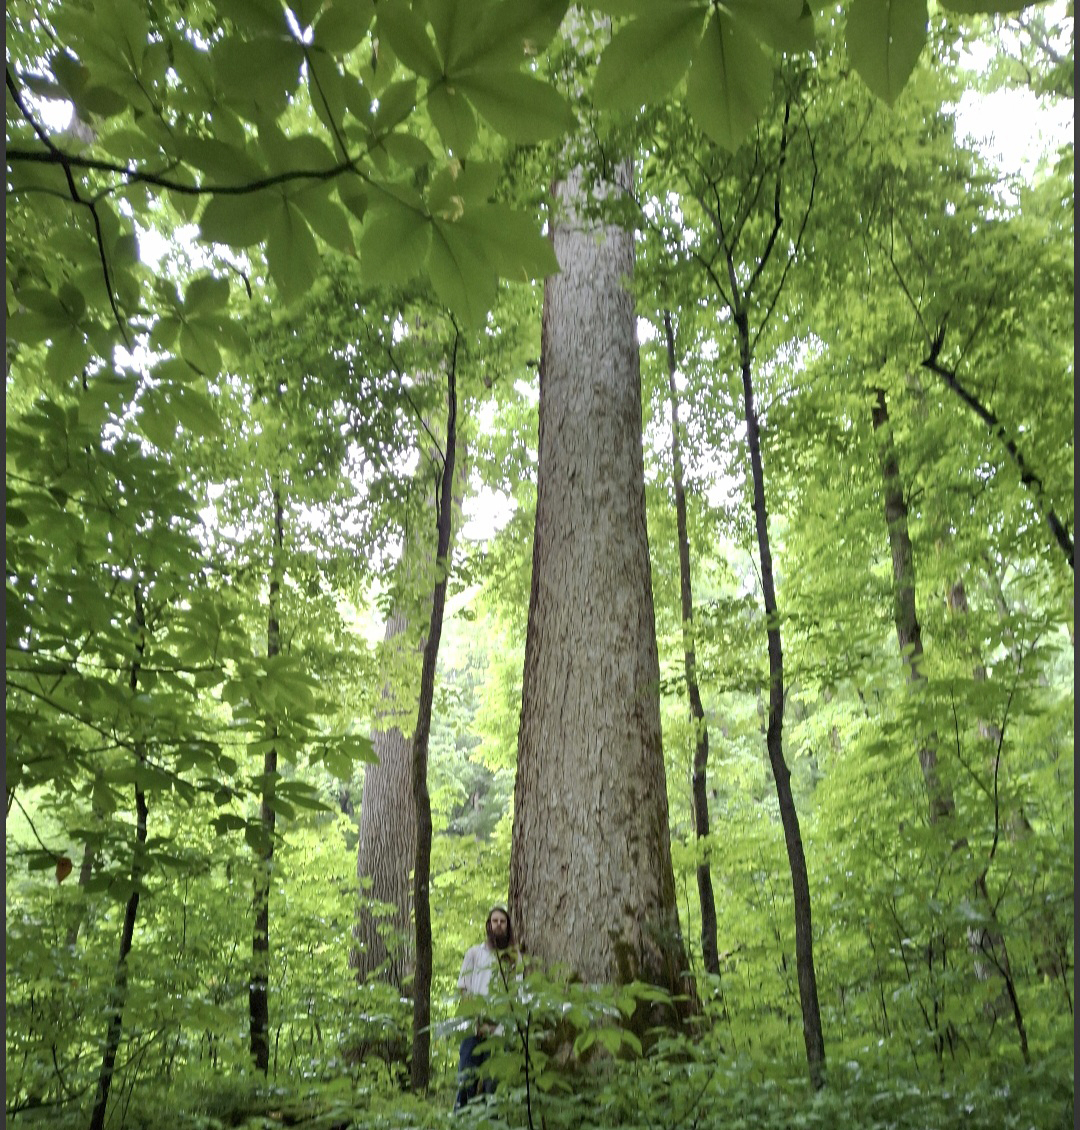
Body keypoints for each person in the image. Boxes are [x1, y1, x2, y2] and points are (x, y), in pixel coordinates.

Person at [454, 903, 517, 1111]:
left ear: (508, 926)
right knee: (467, 1079)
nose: (498, 925)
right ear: (488, 925)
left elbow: (516, 995)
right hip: (472, 1027)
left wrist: (496, 1027)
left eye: (502, 921)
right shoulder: (474, 954)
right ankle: (461, 1120)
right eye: (494, 921)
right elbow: (464, 989)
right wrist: (477, 1022)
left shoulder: (513, 960)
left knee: (493, 1083)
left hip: (499, 1030)